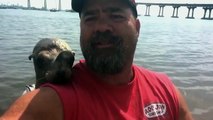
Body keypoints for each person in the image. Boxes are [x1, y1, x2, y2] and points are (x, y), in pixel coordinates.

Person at [0, 0, 193, 119]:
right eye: (90, 18)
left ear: (137, 28)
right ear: (81, 28)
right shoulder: (53, 98)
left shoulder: (166, 90)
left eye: (116, 16)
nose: (102, 27)